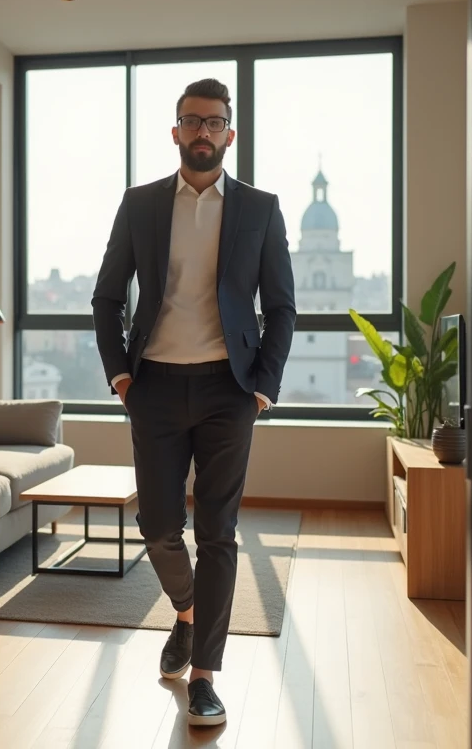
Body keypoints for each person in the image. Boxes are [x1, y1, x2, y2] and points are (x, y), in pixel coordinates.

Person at [91, 78, 296, 727]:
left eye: (214, 123)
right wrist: (121, 375)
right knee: (156, 525)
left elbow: (282, 305)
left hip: (227, 390)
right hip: (152, 385)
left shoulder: (261, 209)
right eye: (191, 121)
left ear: (230, 135)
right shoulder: (141, 203)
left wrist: (264, 383)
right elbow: (106, 296)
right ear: (175, 132)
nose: (202, 132)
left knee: (218, 532)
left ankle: (205, 675)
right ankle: (187, 612)